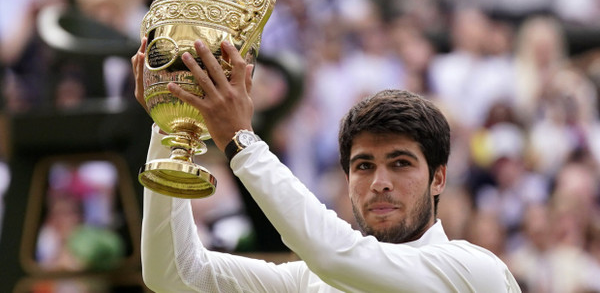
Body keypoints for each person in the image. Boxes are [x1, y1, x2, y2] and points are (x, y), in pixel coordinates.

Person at [132, 38, 521, 292]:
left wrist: (241, 140)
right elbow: (175, 272)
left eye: (400, 164)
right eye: (364, 166)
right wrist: (172, 122)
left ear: (439, 178)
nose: (380, 182)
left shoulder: (472, 272)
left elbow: (336, 255)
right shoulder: (310, 281)